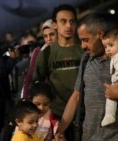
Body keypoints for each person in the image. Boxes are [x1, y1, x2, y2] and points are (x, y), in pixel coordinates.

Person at [55, 14, 118, 141]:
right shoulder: (86, 59)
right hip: (89, 137)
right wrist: (58, 132)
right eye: (80, 40)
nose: (82, 46)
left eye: (86, 40)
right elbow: (76, 96)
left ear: (100, 34)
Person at [33, 4, 83, 141]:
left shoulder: (84, 50)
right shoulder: (47, 53)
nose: (68, 26)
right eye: (63, 21)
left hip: (84, 114)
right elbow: (35, 85)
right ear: (55, 25)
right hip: (57, 115)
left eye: (72, 21)